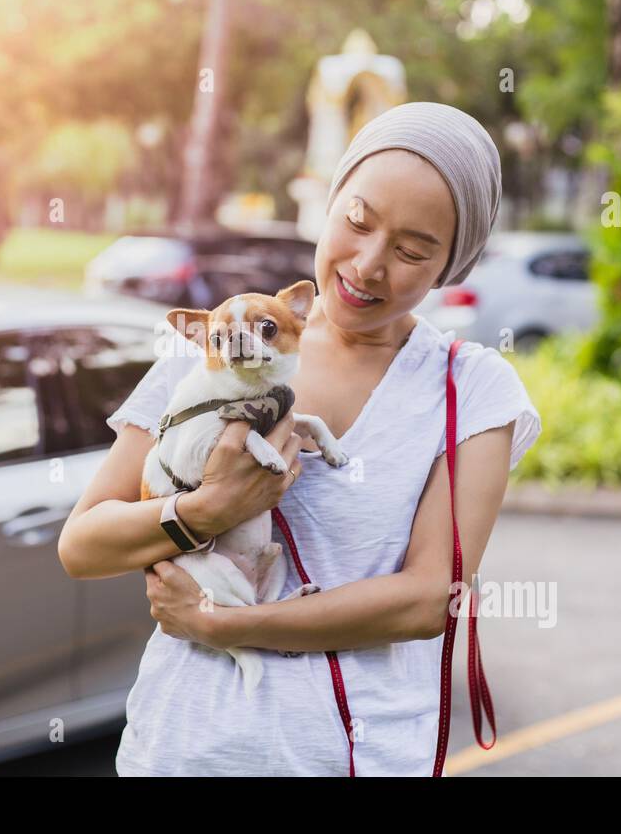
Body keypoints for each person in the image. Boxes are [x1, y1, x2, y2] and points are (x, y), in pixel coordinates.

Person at [57, 101, 542, 776]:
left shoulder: (471, 390)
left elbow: (429, 598)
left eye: (410, 251)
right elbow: (83, 545)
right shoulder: (218, 348)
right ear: (330, 200)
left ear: (450, 267)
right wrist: (207, 511)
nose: (368, 265)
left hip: (358, 759)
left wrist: (222, 624)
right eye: (357, 221)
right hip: (184, 751)